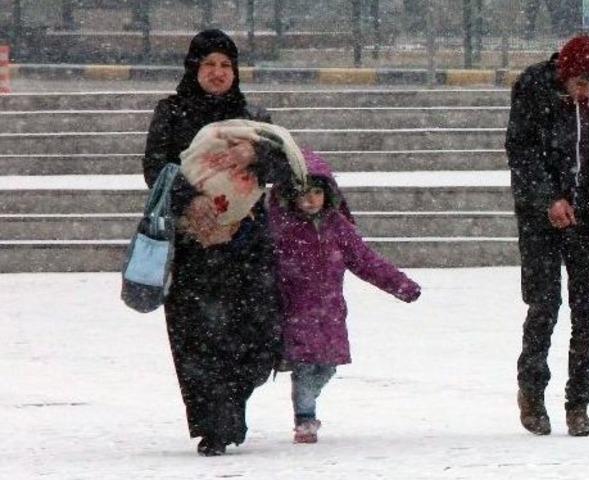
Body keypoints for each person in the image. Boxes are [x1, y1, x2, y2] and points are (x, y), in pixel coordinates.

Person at [142, 29, 299, 456]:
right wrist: (192, 204)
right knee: (199, 338)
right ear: (194, 68)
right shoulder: (172, 112)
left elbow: (286, 169)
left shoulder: (252, 116)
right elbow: (156, 166)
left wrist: (255, 156)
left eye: (225, 65)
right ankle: (216, 423)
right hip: (195, 245)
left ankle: (230, 406)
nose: (217, 73)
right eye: (209, 64)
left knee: (258, 334)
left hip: (246, 243)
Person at [505, 34, 589, 436]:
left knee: (588, 313)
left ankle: (578, 402)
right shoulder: (533, 88)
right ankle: (532, 394)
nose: (587, 91)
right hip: (539, 218)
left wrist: (588, 196)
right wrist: (549, 199)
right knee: (544, 306)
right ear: (564, 76)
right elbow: (521, 150)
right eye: (580, 83)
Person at [268, 151, 421, 444]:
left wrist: (400, 285)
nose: (311, 200)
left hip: (330, 311)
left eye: (316, 192)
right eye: (303, 194)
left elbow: (366, 261)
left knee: (327, 365)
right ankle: (305, 417)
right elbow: (264, 265)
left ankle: (308, 401)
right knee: (304, 365)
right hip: (294, 309)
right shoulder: (282, 230)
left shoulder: (336, 227)